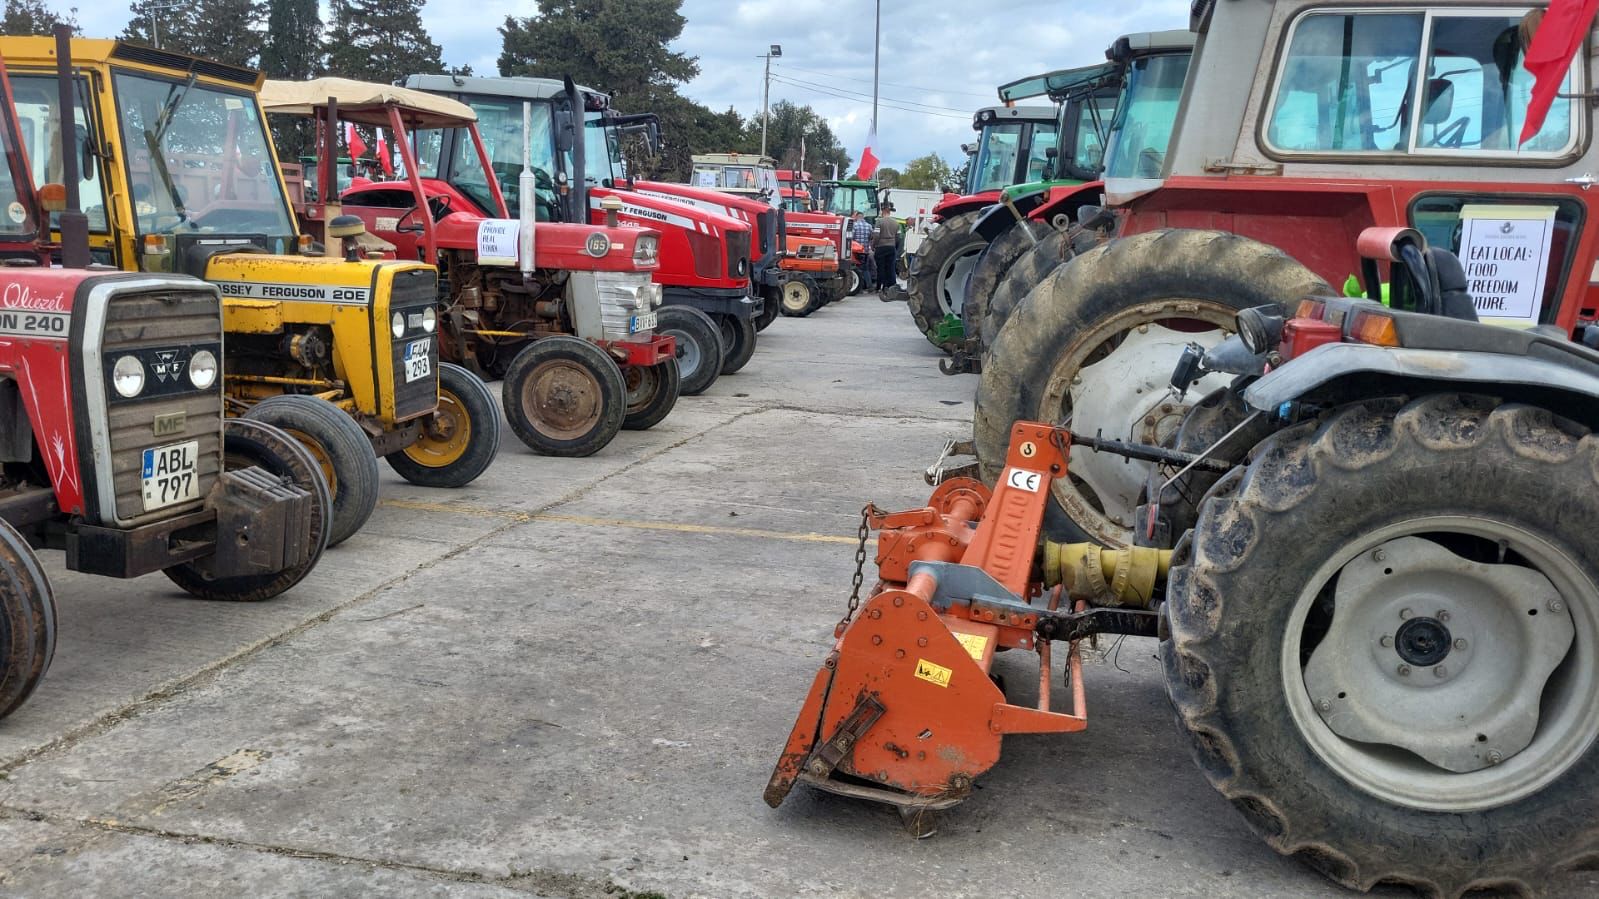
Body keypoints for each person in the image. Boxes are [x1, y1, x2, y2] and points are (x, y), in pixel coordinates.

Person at [872, 203, 899, 292]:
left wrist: (873, 245)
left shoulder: (879, 221)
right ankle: (890, 286)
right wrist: (895, 246)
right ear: (889, 212)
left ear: (883, 211)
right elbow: (899, 237)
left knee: (881, 267)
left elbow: (876, 235)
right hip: (891, 247)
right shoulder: (896, 222)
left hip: (881, 247)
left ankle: (879, 286)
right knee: (890, 267)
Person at [850, 210, 874, 286]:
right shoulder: (869, 226)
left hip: (856, 251)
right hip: (865, 251)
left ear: (857, 217)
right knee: (865, 268)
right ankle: (869, 285)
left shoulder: (855, 225)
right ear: (863, 217)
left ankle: (859, 285)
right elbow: (871, 237)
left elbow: (851, 238)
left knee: (856, 269)